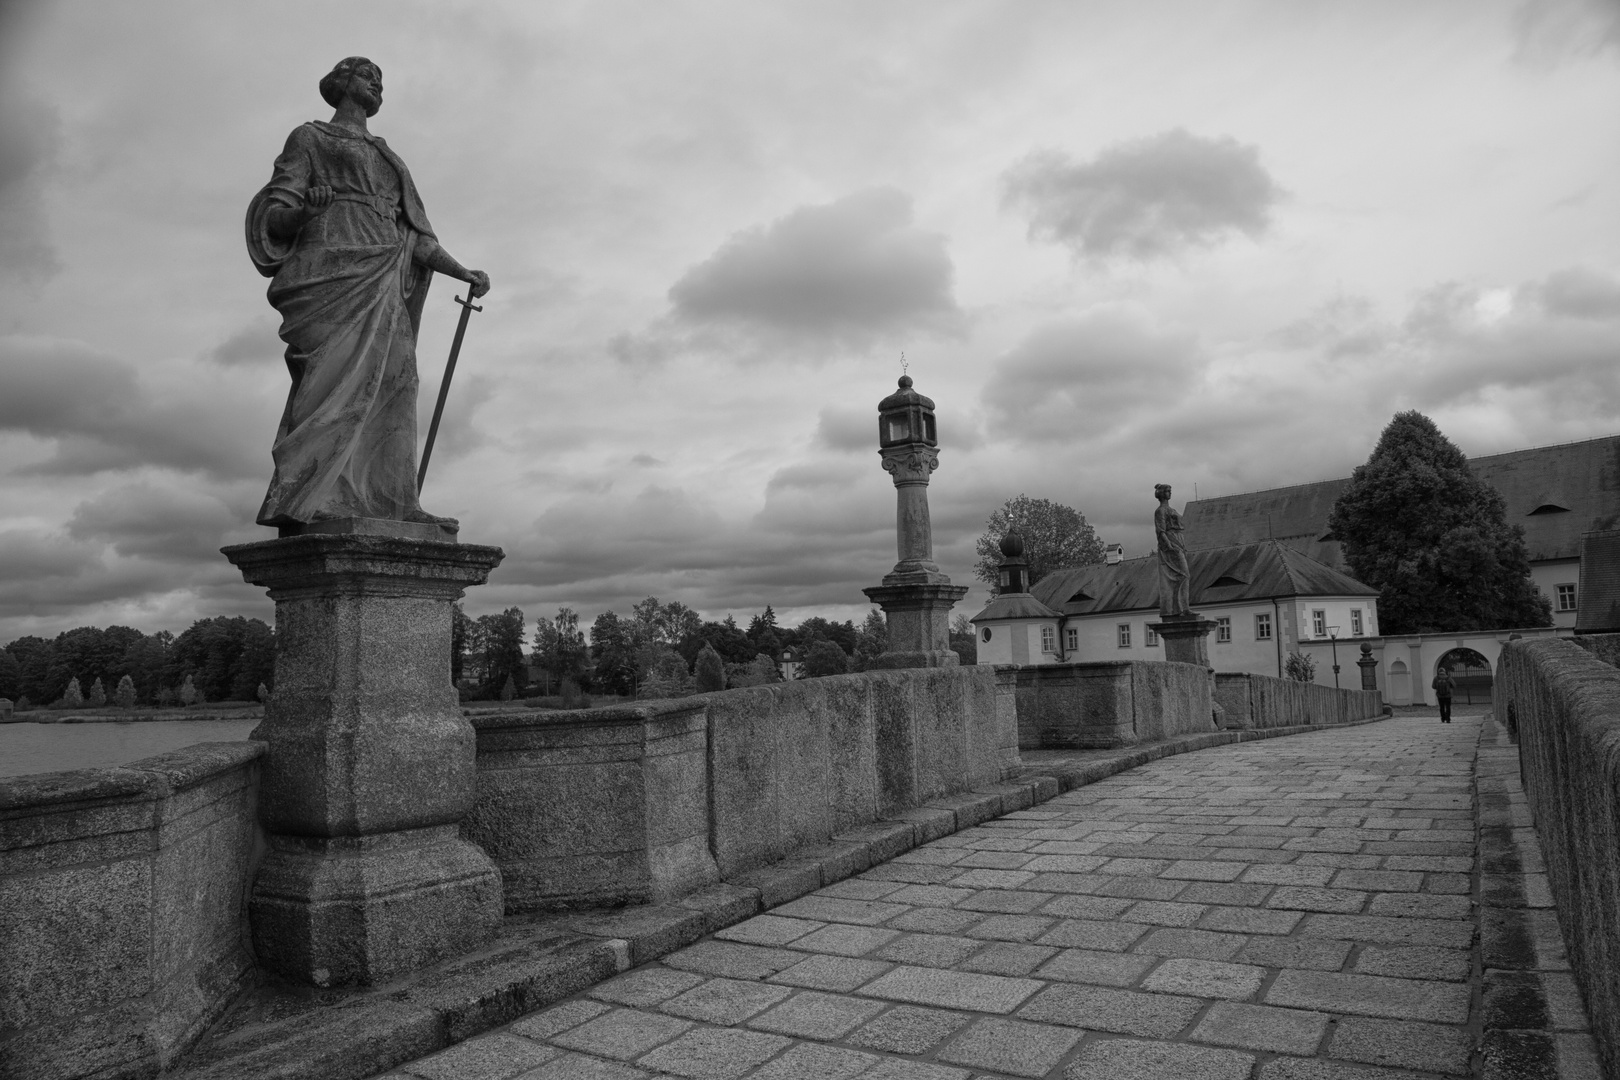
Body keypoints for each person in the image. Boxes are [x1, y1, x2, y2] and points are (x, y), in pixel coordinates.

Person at [245, 57, 490, 534]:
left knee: (397, 383)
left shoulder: (389, 157)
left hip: (383, 275)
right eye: (366, 76)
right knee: (330, 386)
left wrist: (463, 272)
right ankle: (310, 498)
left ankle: (396, 503)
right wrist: (302, 214)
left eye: (381, 80)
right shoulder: (310, 137)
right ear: (340, 85)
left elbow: (416, 236)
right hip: (331, 271)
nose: (377, 84)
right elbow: (277, 212)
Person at [1154, 484, 1191, 618]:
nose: (1170, 493)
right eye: (1167, 491)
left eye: (1170, 491)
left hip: (1179, 541)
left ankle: (1183, 608)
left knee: (1183, 575)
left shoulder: (1171, 509)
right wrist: (1169, 546)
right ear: (1162, 494)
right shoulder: (1160, 511)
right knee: (1183, 575)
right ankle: (1179, 609)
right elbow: (1161, 531)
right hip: (1171, 542)